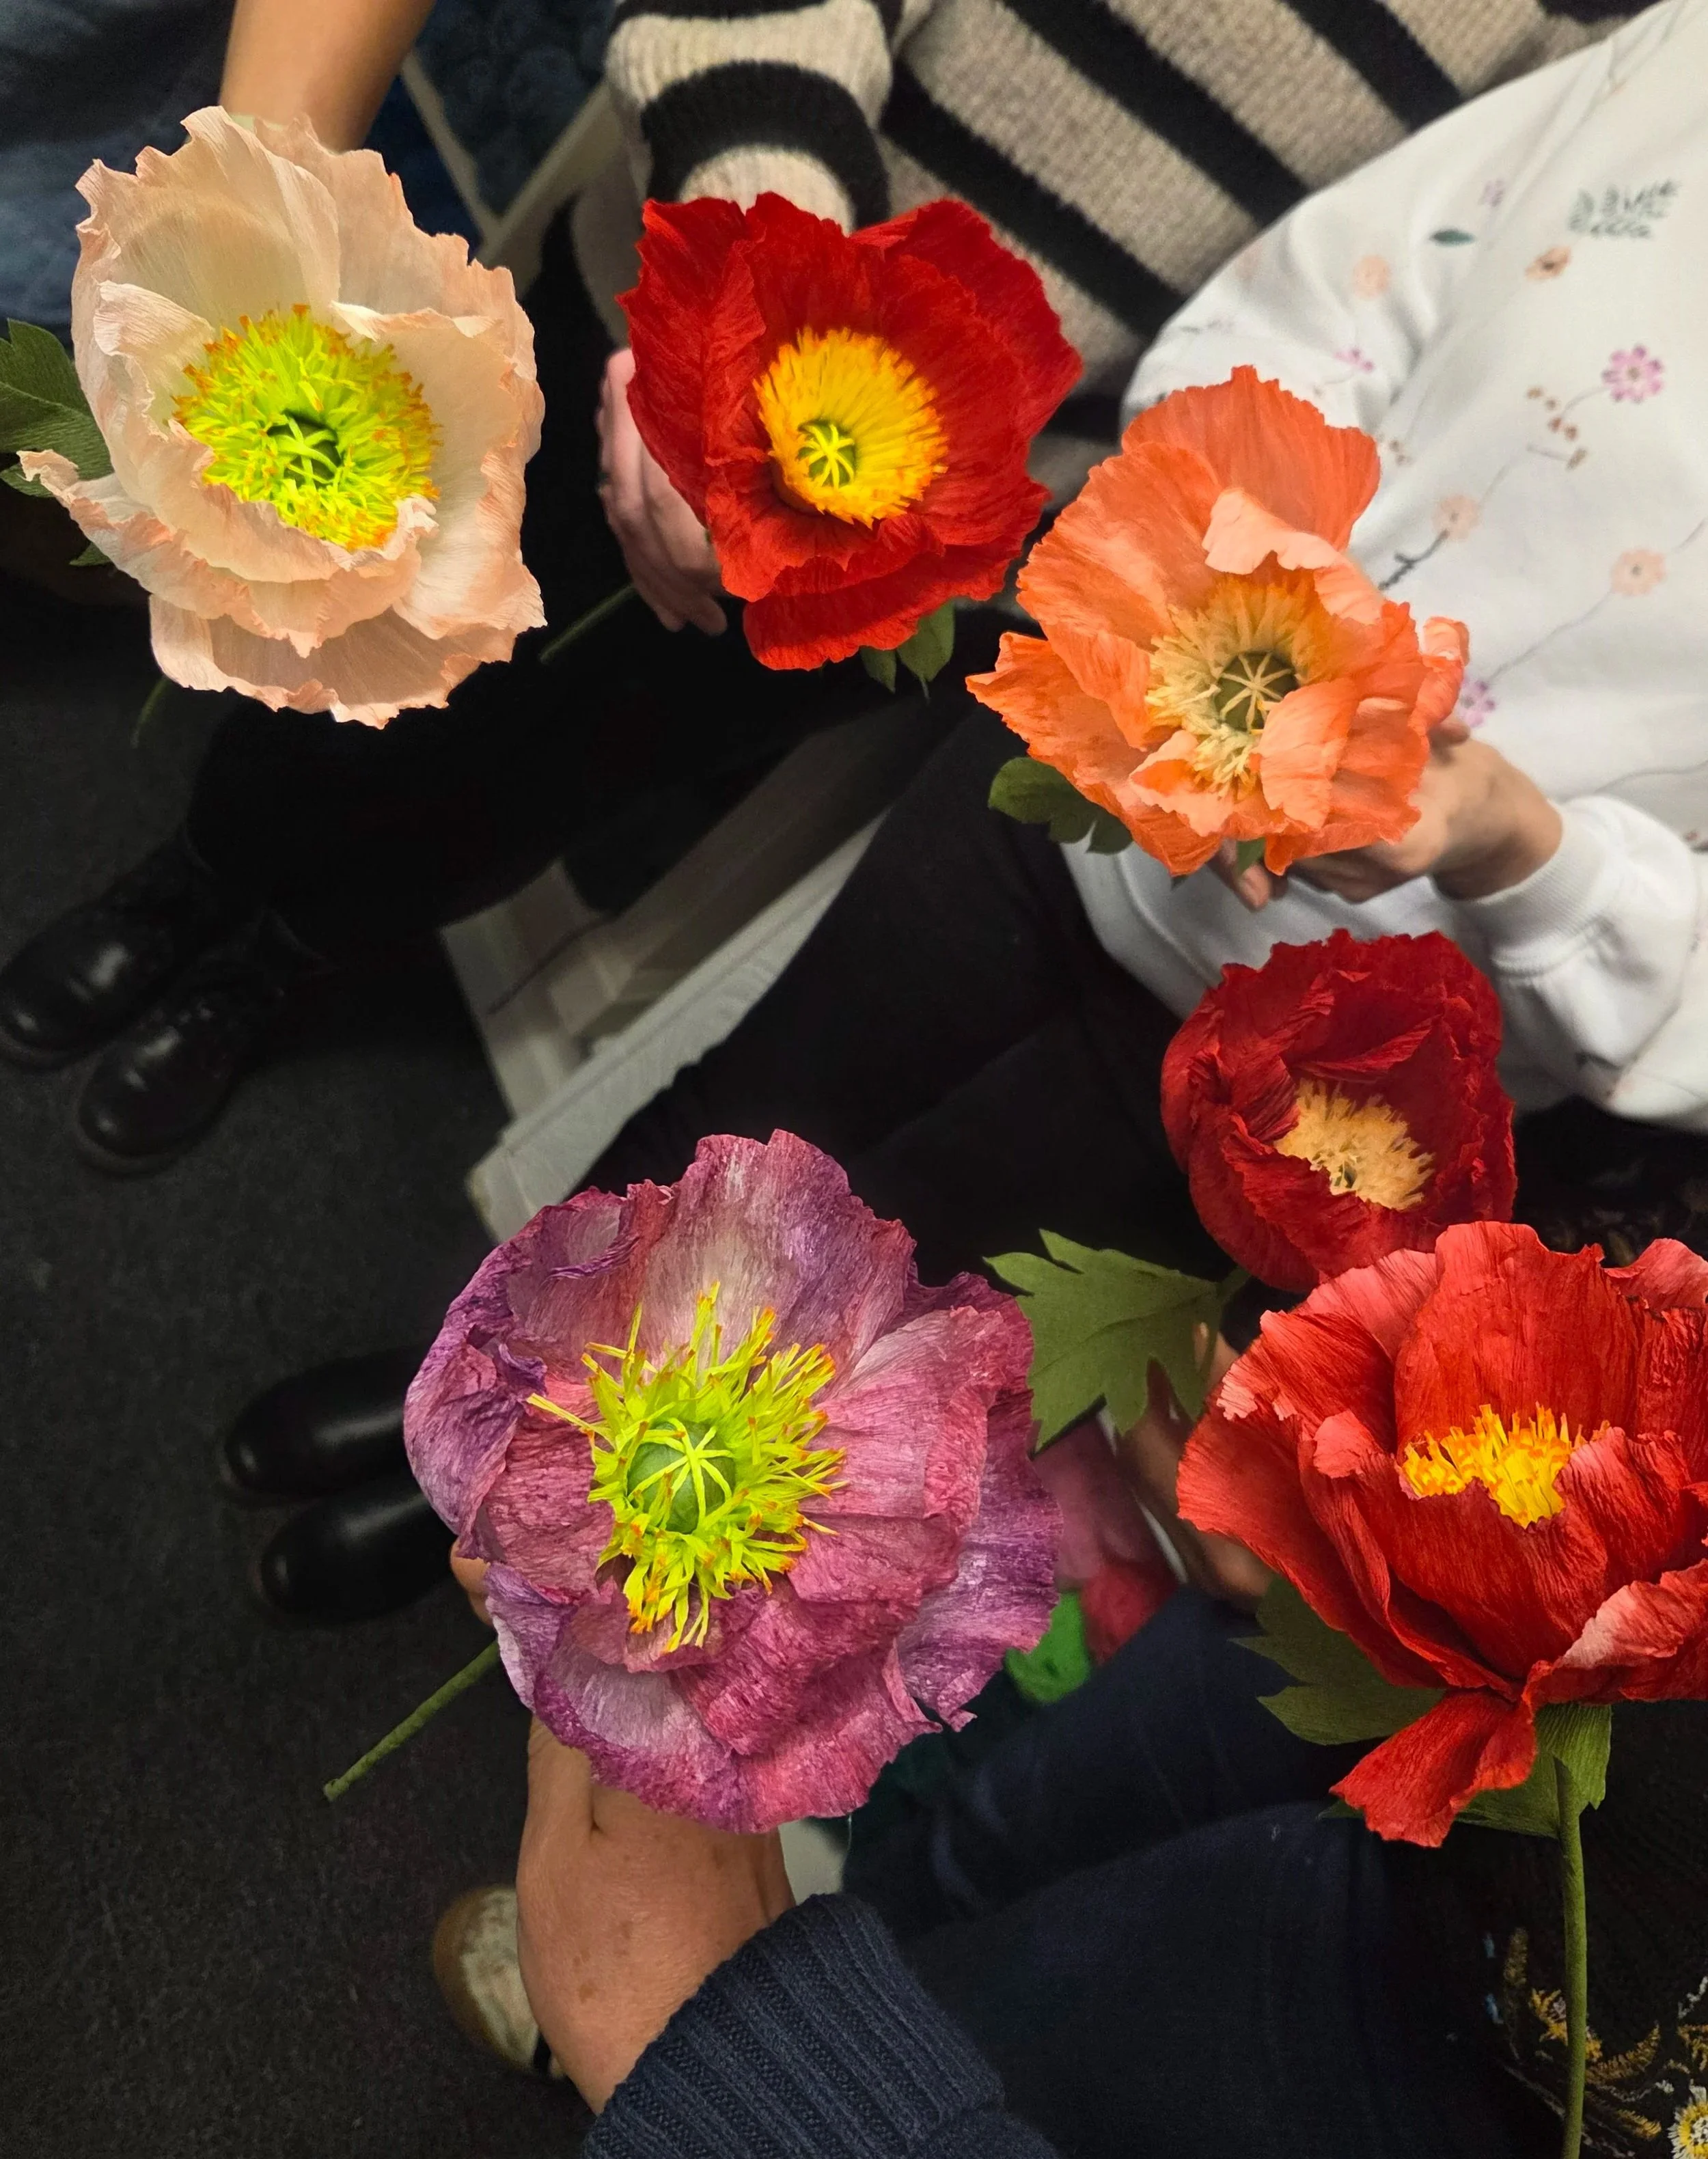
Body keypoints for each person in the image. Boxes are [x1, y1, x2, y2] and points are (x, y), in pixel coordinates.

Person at [0, 0, 1636, 1183]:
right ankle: (199, 871)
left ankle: (284, 952)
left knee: (562, 763)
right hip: (686, 293)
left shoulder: (1585, 53)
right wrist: (752, 281)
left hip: (929, 535)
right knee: (362, 634)